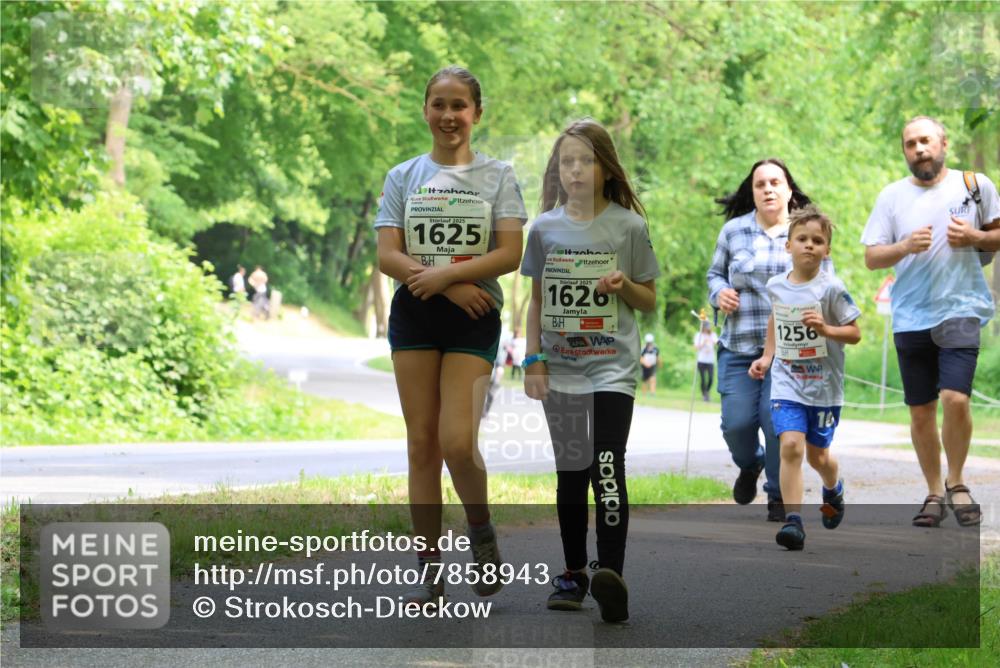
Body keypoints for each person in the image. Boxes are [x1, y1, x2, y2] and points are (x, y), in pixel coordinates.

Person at [374, 66, 527, 606]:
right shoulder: (403, 176)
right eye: (438, 104)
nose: (448, 115)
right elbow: (387, 253)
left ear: (477, 113)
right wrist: (442, 285)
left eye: (459, 105)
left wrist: (452, 278)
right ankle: (428, 570)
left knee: (457, 443)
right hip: (415, 315)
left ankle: (481, 534)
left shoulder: (499, 175)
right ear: (425, 110)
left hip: (474, 315)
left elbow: (510, 253)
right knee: (422, 445)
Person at [522, 118, 659, 623]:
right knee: (570, 473)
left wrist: (623, 285)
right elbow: (535, 301)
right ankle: (574, 572)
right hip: (562, 370)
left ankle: (611, 576)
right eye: (567, 161)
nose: (575, 170)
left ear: (605, 168)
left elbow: (647, 299)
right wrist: (533, 360)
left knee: (606, 465)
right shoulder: (543, 228)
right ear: (557, 171)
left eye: (585, 160)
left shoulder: (628, 227)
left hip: (612, 369)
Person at [861, 116, 999, 528]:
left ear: (943, 143)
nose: (918, 149)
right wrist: (903, 246)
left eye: (925, 141)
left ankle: (957, 482)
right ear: (904, 152)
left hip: (961, 307)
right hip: (910, 315)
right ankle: (934, 492)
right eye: (910, 144)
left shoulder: (975, 185)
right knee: (921, 412)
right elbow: (872, 257)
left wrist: (974, 238)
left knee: (955, 399)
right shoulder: (891, 197)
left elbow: (997, 235)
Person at [707, 158, 819, 522]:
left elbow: (824, 281)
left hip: (788, 351)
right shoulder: (734, 232)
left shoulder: (805, 232)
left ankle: (777, 494)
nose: (768, 189)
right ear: (752, 193)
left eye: (775, 182)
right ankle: (750, 464)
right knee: (736, 424)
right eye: (760, 184)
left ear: (789, 190)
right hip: (738, 346)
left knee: (776, 425)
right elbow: (714, 275)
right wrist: (720, 292)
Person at [749, 205, 862, 550]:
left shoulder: (832, 289)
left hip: (824, 389)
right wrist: (767, 357)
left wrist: (825, 328)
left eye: (817, 240)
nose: (809, 245)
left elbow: (854, 332)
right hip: (787, 382)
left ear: (827, 250)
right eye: (802, 239)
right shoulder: (776, 286)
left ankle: (832, 488)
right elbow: (776, 321)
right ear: (788, 246)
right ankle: (794, 522)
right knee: (791, 446)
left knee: (819, 457)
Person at [693, 319, 718, 402]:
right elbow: (696, 347)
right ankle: (704, 395)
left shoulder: (713, 335)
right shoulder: (698, 335)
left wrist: (711, 340)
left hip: (710, 360)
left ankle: (707, 391)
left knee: (711, 378)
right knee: (703, 378)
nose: (707, 329)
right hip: (701, 360)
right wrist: (704, 342)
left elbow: (717, 343)